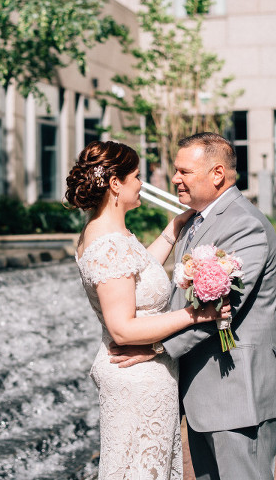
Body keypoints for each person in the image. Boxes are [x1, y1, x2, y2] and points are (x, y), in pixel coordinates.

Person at [110, 132, 276, 480]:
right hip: (203, 393)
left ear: (217, 174)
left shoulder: (244, 225)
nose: (175, 178)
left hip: (237, 393)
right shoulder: (194, 220)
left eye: (184, 172)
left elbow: (220, 311)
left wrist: (155, 347)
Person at [65, 140, 231, 479]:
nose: (143, 183)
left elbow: (139, 276)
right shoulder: (108, 243)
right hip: (135, 381)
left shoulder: (110, 233)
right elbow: (122, 329)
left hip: (145, 376)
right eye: (137, 176)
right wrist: (197, 315)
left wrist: (174, 228)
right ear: (116, 184)